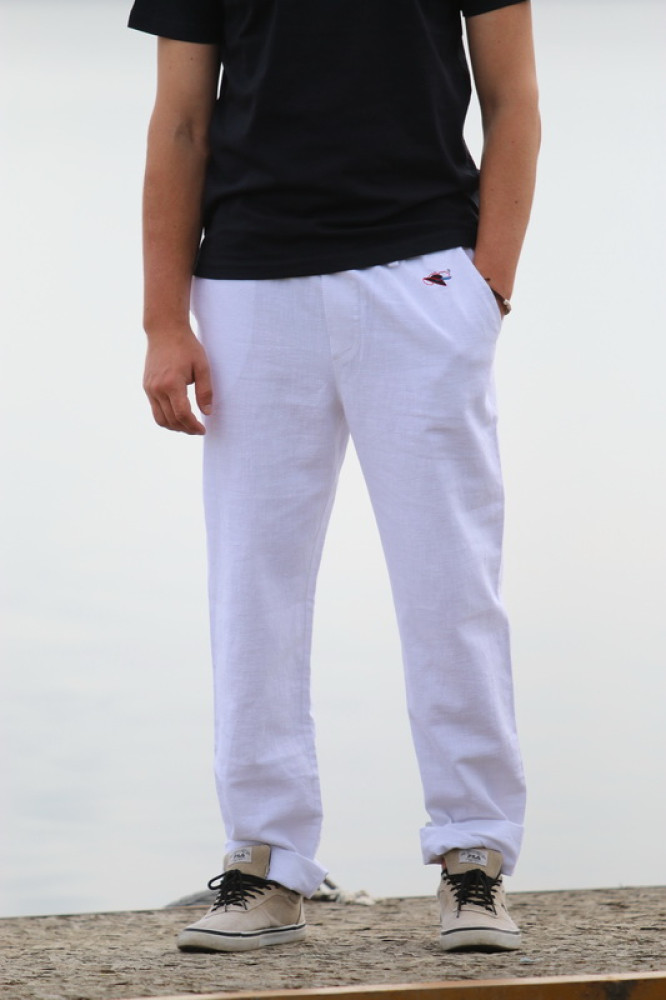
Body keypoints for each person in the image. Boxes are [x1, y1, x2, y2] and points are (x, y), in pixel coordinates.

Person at [128, 0, 540, 954]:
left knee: (451, 580)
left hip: (423, 277)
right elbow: (181, 120)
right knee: (253, 585)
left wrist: (490, 285)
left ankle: (474, 859)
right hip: (247, 284)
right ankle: (266, 864)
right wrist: (163, 320)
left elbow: (513, 97)